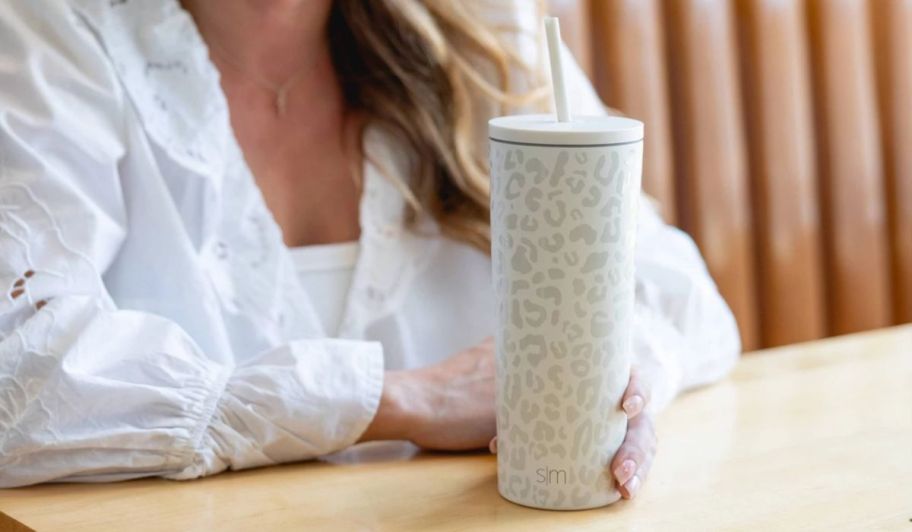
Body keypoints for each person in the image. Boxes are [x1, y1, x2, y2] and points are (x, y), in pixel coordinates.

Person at [0, 0, 740, 499]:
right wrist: (400, 400)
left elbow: (679, 295)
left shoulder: (484, 27)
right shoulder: (45, 34)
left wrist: (613, 381)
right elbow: (20, 373)